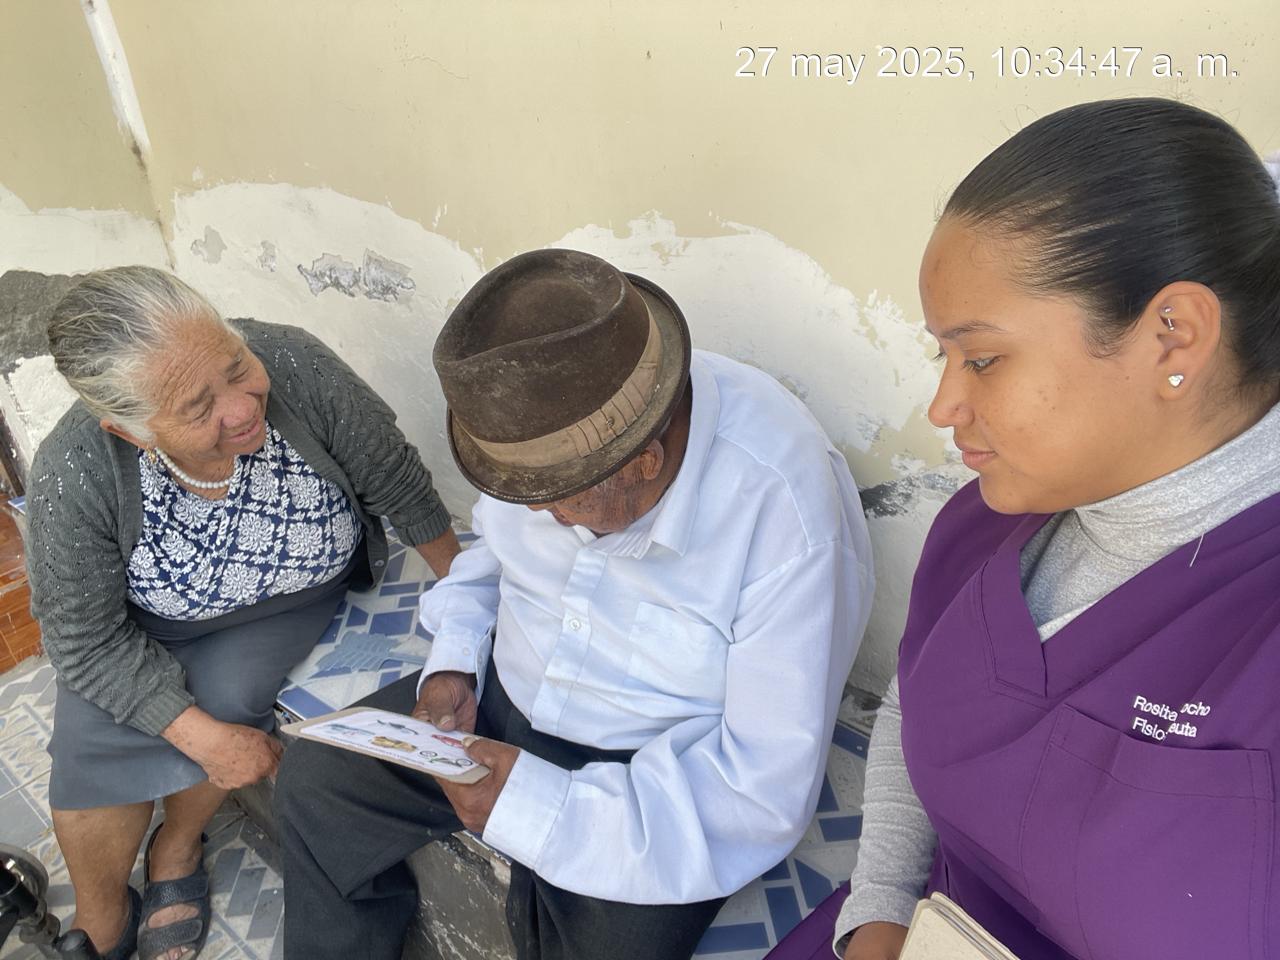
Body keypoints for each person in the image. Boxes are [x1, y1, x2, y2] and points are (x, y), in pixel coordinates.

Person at [274, 248, 875, 960]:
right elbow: (490, 558)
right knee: (317, 783)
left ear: (646, 462)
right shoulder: (541, 425)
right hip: (508, 695)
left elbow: (761, 788)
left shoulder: (784, 508)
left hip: (656, 767)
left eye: (559, 502)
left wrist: (542, 810)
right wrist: (456, 663)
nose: (538, 514)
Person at [824, 99, 1280, 959]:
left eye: (983, 358)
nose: (944, 406)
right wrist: (878, 913)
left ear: (1174, 336)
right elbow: (918, 698)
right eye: (944, 357)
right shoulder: (985, 521)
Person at [27, 266, 460, 960]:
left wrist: (468, 603)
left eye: (236, 366)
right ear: (131, 432)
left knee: (228, 699)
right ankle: (101, 917)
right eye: (199, 408)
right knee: (89, 742)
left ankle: (175, 846)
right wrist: (202, 741)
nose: (242, 407)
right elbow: (83, 639)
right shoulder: (75, 466)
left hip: (286, 598)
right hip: (143, 624)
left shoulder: (294, 362)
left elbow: (397, 482)